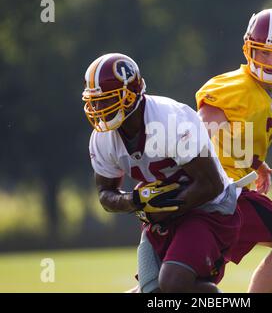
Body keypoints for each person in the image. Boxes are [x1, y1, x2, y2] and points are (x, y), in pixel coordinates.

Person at [82, 53, 242, 293]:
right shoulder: (102, 139)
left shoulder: (170, 119)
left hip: (209, 209)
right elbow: (106, 194)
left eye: (106, 100)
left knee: (173, 283)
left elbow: (212, 185)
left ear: (129, 96)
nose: (98, 109)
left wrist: (160, 208)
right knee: (152, 291)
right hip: (163, 217)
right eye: (94, 101)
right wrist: (136, 201)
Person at [196, 9, 272, 293]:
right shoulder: (231, 86)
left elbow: (234, 139)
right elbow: (200, 134)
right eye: (263, 53)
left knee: (181, 286)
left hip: (231, 188)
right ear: (249, 49)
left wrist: (256, 163)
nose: (271, 62)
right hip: (223, 191)